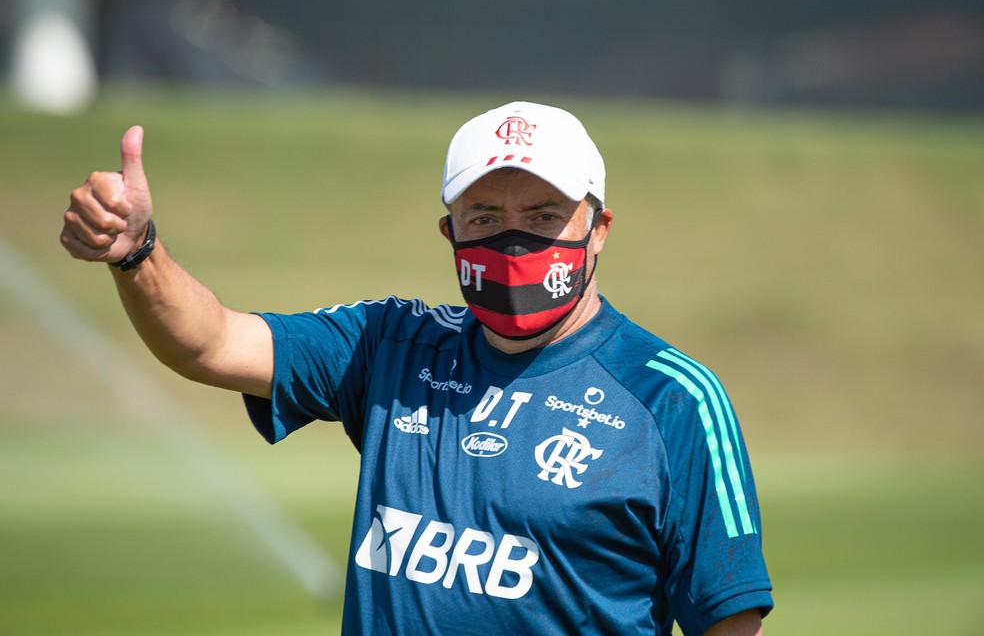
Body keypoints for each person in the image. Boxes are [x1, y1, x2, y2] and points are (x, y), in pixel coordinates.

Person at [61, 101, 773, 635]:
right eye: (485, 214)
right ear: (450, 231)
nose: (514, 235)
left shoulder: (674, 399)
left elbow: (730, 620)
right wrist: (136, 250)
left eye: (545, 212)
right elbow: (209, 343)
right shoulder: (391, 344)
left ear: (599, 228)